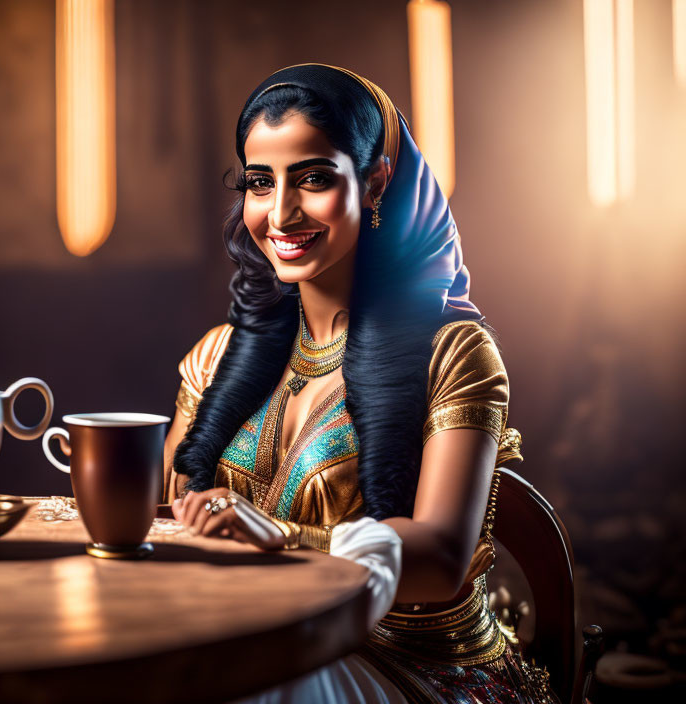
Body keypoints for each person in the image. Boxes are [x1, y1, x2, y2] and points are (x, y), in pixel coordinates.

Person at [162, 64, 554, 704]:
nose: (282, 213)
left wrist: (286, 540)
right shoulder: (216, 358)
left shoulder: (452, 352)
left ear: (375, 181)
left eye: (313, 178)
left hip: (413, 663)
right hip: (249, 638)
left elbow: (439, 557)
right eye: (261, 183)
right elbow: (166, 519)